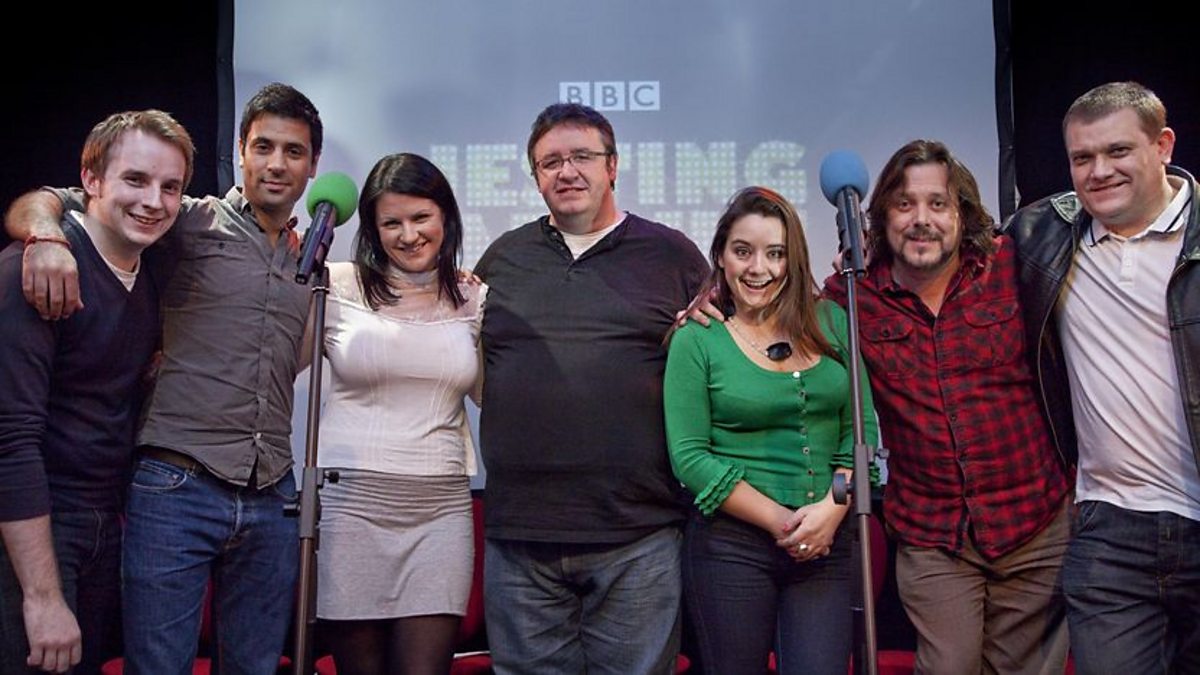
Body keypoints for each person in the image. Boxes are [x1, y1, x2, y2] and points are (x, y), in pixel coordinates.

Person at [4, 82, 322, 674]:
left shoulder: (309, 259)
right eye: (263, 147)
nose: (277, 164)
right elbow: (61, 201)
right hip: (178, 484)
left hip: (272, 491)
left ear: (313, 165)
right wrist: (44, 236)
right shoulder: (186, 219)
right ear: (241, 152)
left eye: (294, 151)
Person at [472, 102, 709, 674]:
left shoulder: (672, 254)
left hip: (638, 536)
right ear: (535, 177)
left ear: (613, 166)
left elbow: (717, 359)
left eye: (581, 156)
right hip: (520, 538)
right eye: (550, 162)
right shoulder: (504, 258)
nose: (567, 171)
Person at [822, 140, 1071, 674]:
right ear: (881, 216)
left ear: (963, 213)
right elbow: (773, 313)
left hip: (1035, 522)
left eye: (938, 203)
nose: (921, 219)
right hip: (933, 534)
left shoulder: (1011, 267)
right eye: (904, 204)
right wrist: (710, 301)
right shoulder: (852, 296)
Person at [1005, 81, 1200, 673]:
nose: (1099, 172)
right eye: (1082, 157)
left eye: (1117, 151)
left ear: (1162, 145)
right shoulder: (1040, 236)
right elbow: (942, 258)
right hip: (1107, 530)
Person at [0, 110, 193, 675]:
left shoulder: (152, 269)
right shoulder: (34, 270)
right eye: (135, 180)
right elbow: (10, 442)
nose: (153, 201)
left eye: (170, 187)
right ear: (90, 179)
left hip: (105, 524)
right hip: (35, 530)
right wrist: (42, 596)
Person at [663, 186, 877, 675]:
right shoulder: (697, 338)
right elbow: (690, 458)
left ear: (793, 259)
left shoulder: (832, 321)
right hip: (730, 548)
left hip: (825, 541)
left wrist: (830, 511)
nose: (758, 268)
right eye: (743, 251)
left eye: (775, 253)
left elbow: (861, 431)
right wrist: (786, 524)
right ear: (720, 255)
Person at [313, 153, 483, 675]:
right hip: (352, 506)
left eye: (420, 217)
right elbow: (276, 363)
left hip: (441, 510)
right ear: (373, 228)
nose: (408, 235)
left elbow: (493, 394)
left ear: (445, 216)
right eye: (392, 223)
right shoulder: (335, 284)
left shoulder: (473, 296)